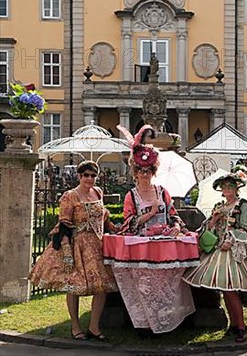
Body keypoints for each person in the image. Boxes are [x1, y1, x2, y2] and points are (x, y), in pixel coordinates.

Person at [115, 124, 196, 334]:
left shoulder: (162, 191)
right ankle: (146, 325)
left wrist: (176, 227)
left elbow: (173, 215)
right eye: (141, 170)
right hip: (142, 249)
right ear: (135, 171)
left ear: (153, 171)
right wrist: (149, 215)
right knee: (145, 285)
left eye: (149, 170)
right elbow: (128, 224)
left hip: (164, 246)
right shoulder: (131, 196)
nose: (145, 174)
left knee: (168, 284)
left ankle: (169, 322)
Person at [29, 160, 119, 341]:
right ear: (79, 176)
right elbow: (64, 224)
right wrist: (67, 252)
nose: (90, 179)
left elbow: (102, 215)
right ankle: (75, 327)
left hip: (96, 245)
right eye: (86, 175)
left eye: (93, 175)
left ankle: (94, 327)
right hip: (76, 244)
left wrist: (113, 226)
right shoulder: (70, 196)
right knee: (74, 286)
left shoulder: (98, 192)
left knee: (102, 286)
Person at [183, 172, 247, 343]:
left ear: (237, 187)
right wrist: (214, 220)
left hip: (235, 254)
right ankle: (234, 325)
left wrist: (231, 241)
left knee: (230, 290)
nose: (226, 188)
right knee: (225, 290)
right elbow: (208, 229)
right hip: (219, 252)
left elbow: (246, 228)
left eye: (230, 185)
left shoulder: (244, 206)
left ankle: (241, 326)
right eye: (224, 186)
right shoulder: (219, 206)